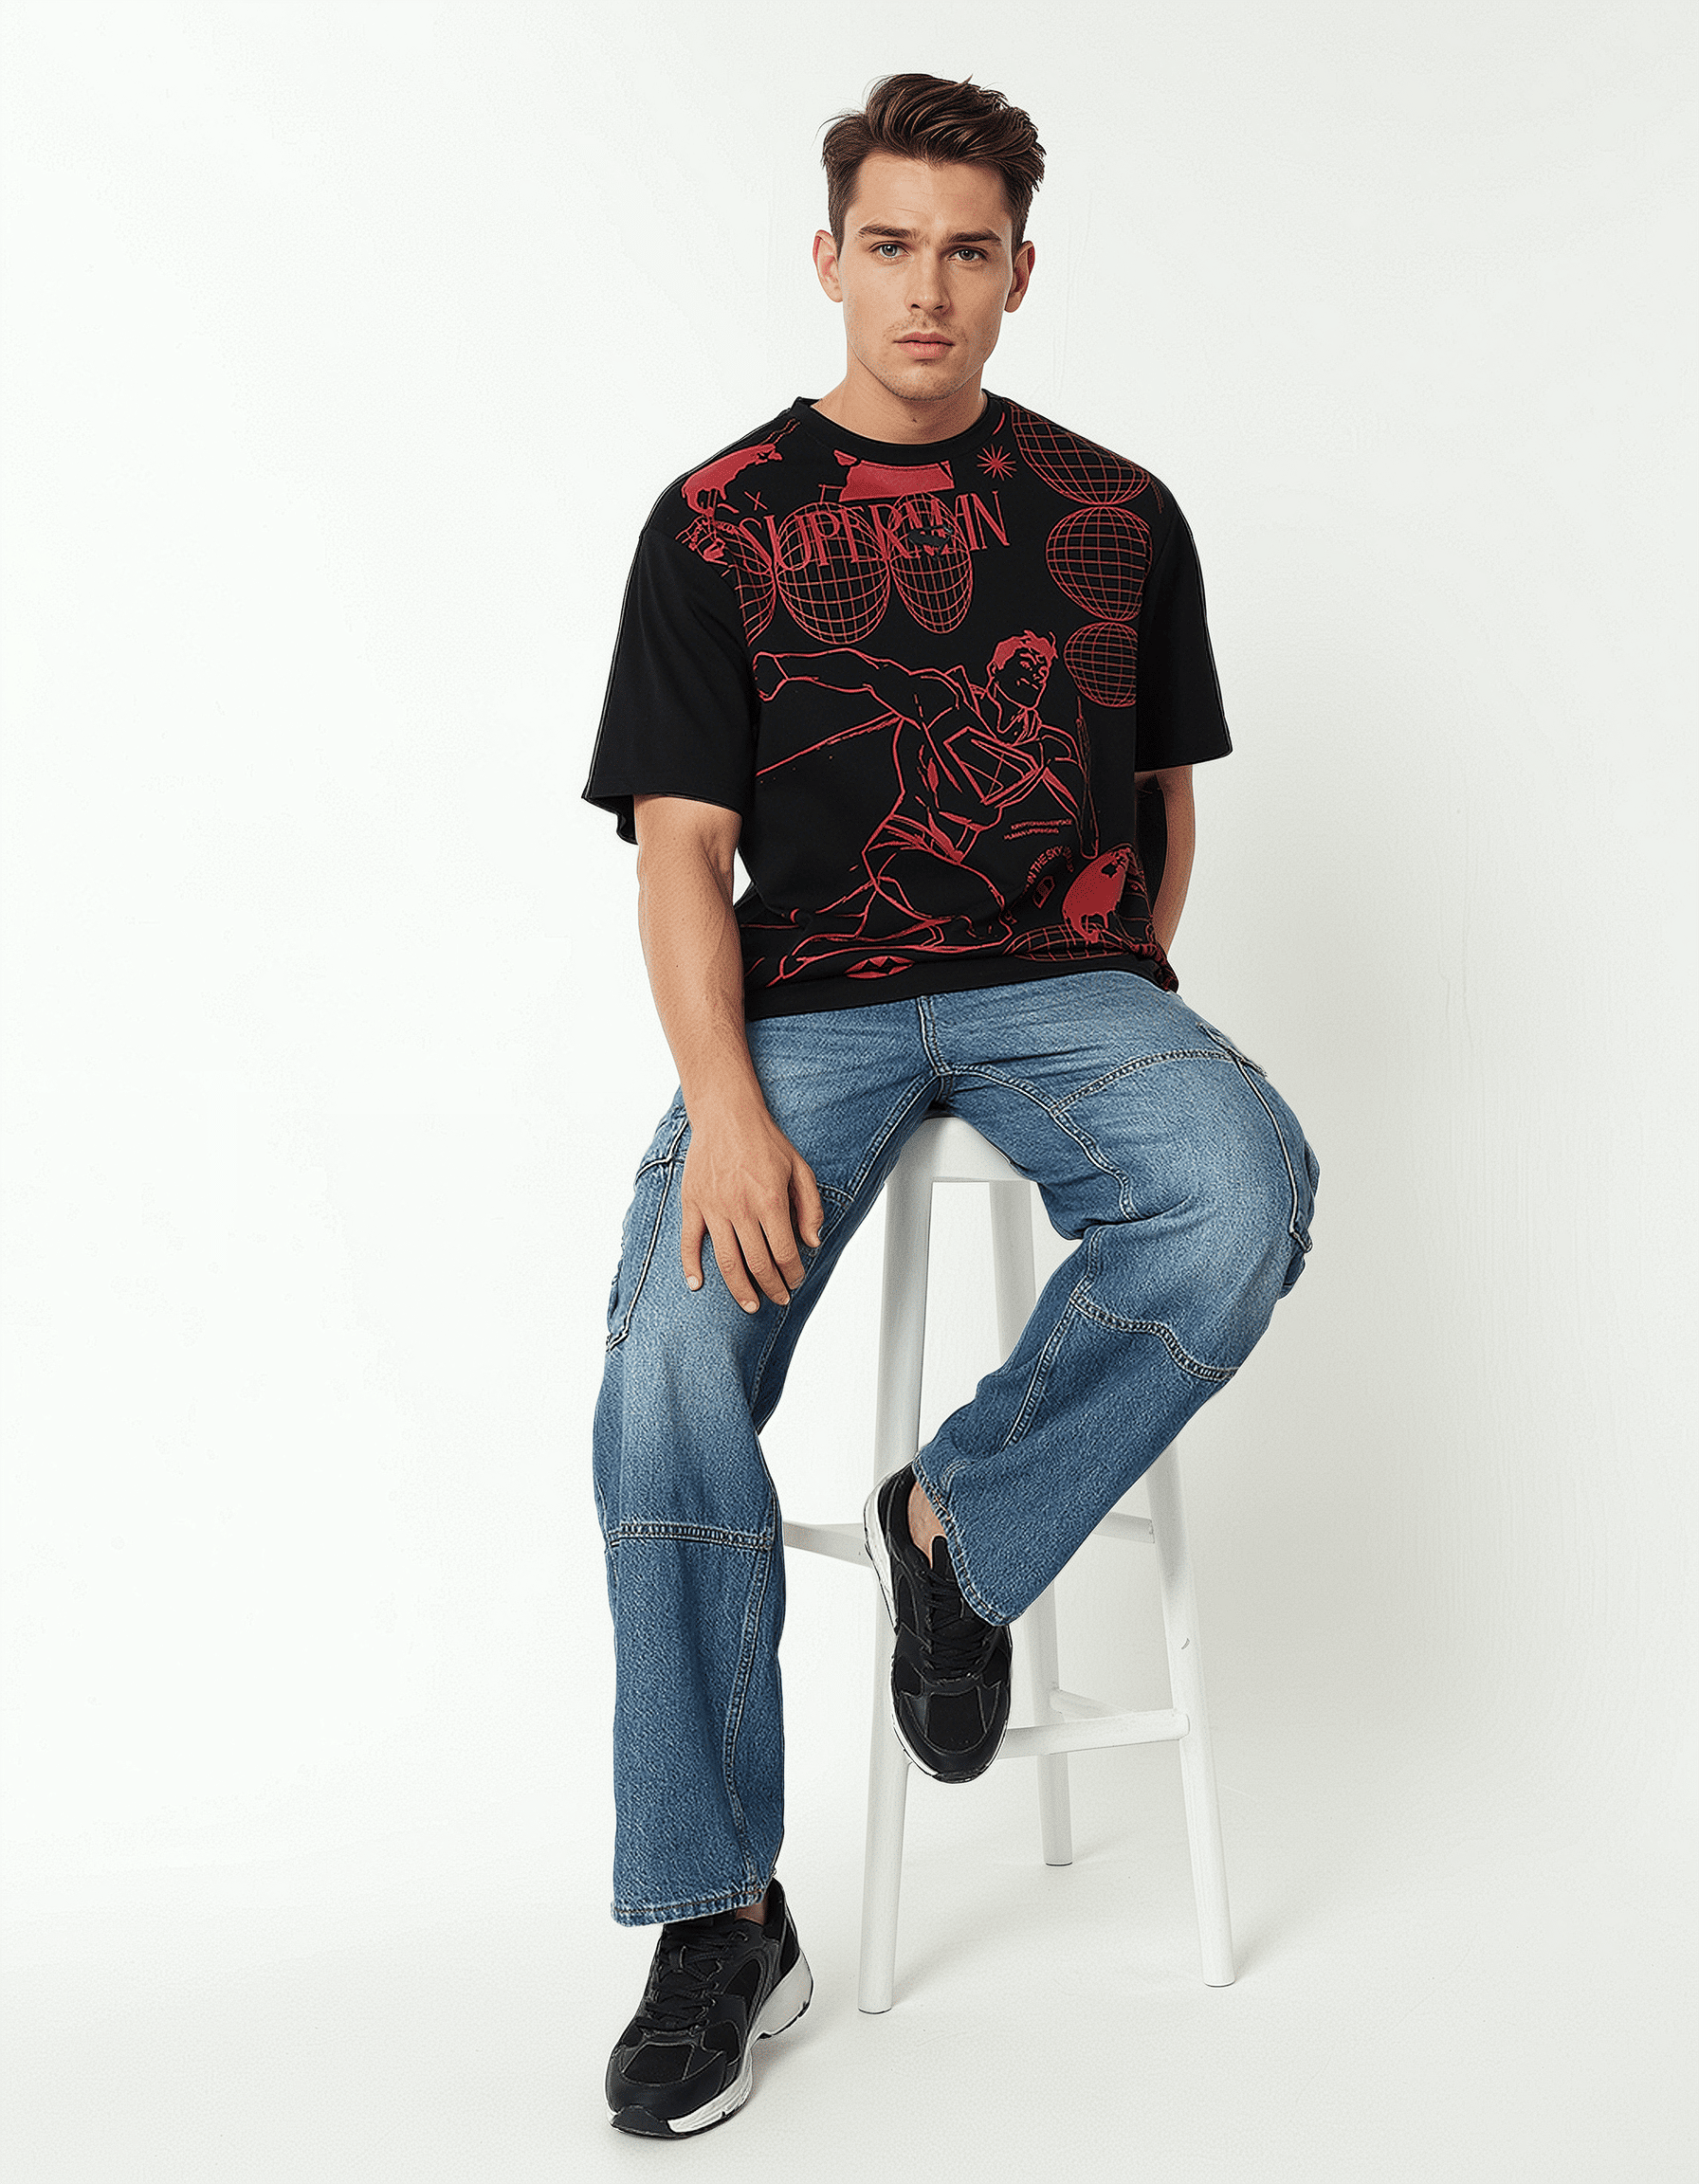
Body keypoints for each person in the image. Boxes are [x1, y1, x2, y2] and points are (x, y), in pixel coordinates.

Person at [581, 71, 1321, 2138]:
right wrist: (726, 1108)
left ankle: (957, 1524)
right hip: (808, 1012)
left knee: (1243, 1182)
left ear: (1018, 272)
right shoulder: (718, 522)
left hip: (1058, 985)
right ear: (829, 260)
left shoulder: (1115, 514)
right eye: (891, 245)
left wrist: (1118, 984)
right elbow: (677, 851)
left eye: (966, 251)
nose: (926, 288)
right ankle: (718, 1915)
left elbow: (1160, 800)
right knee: (664, 1375)